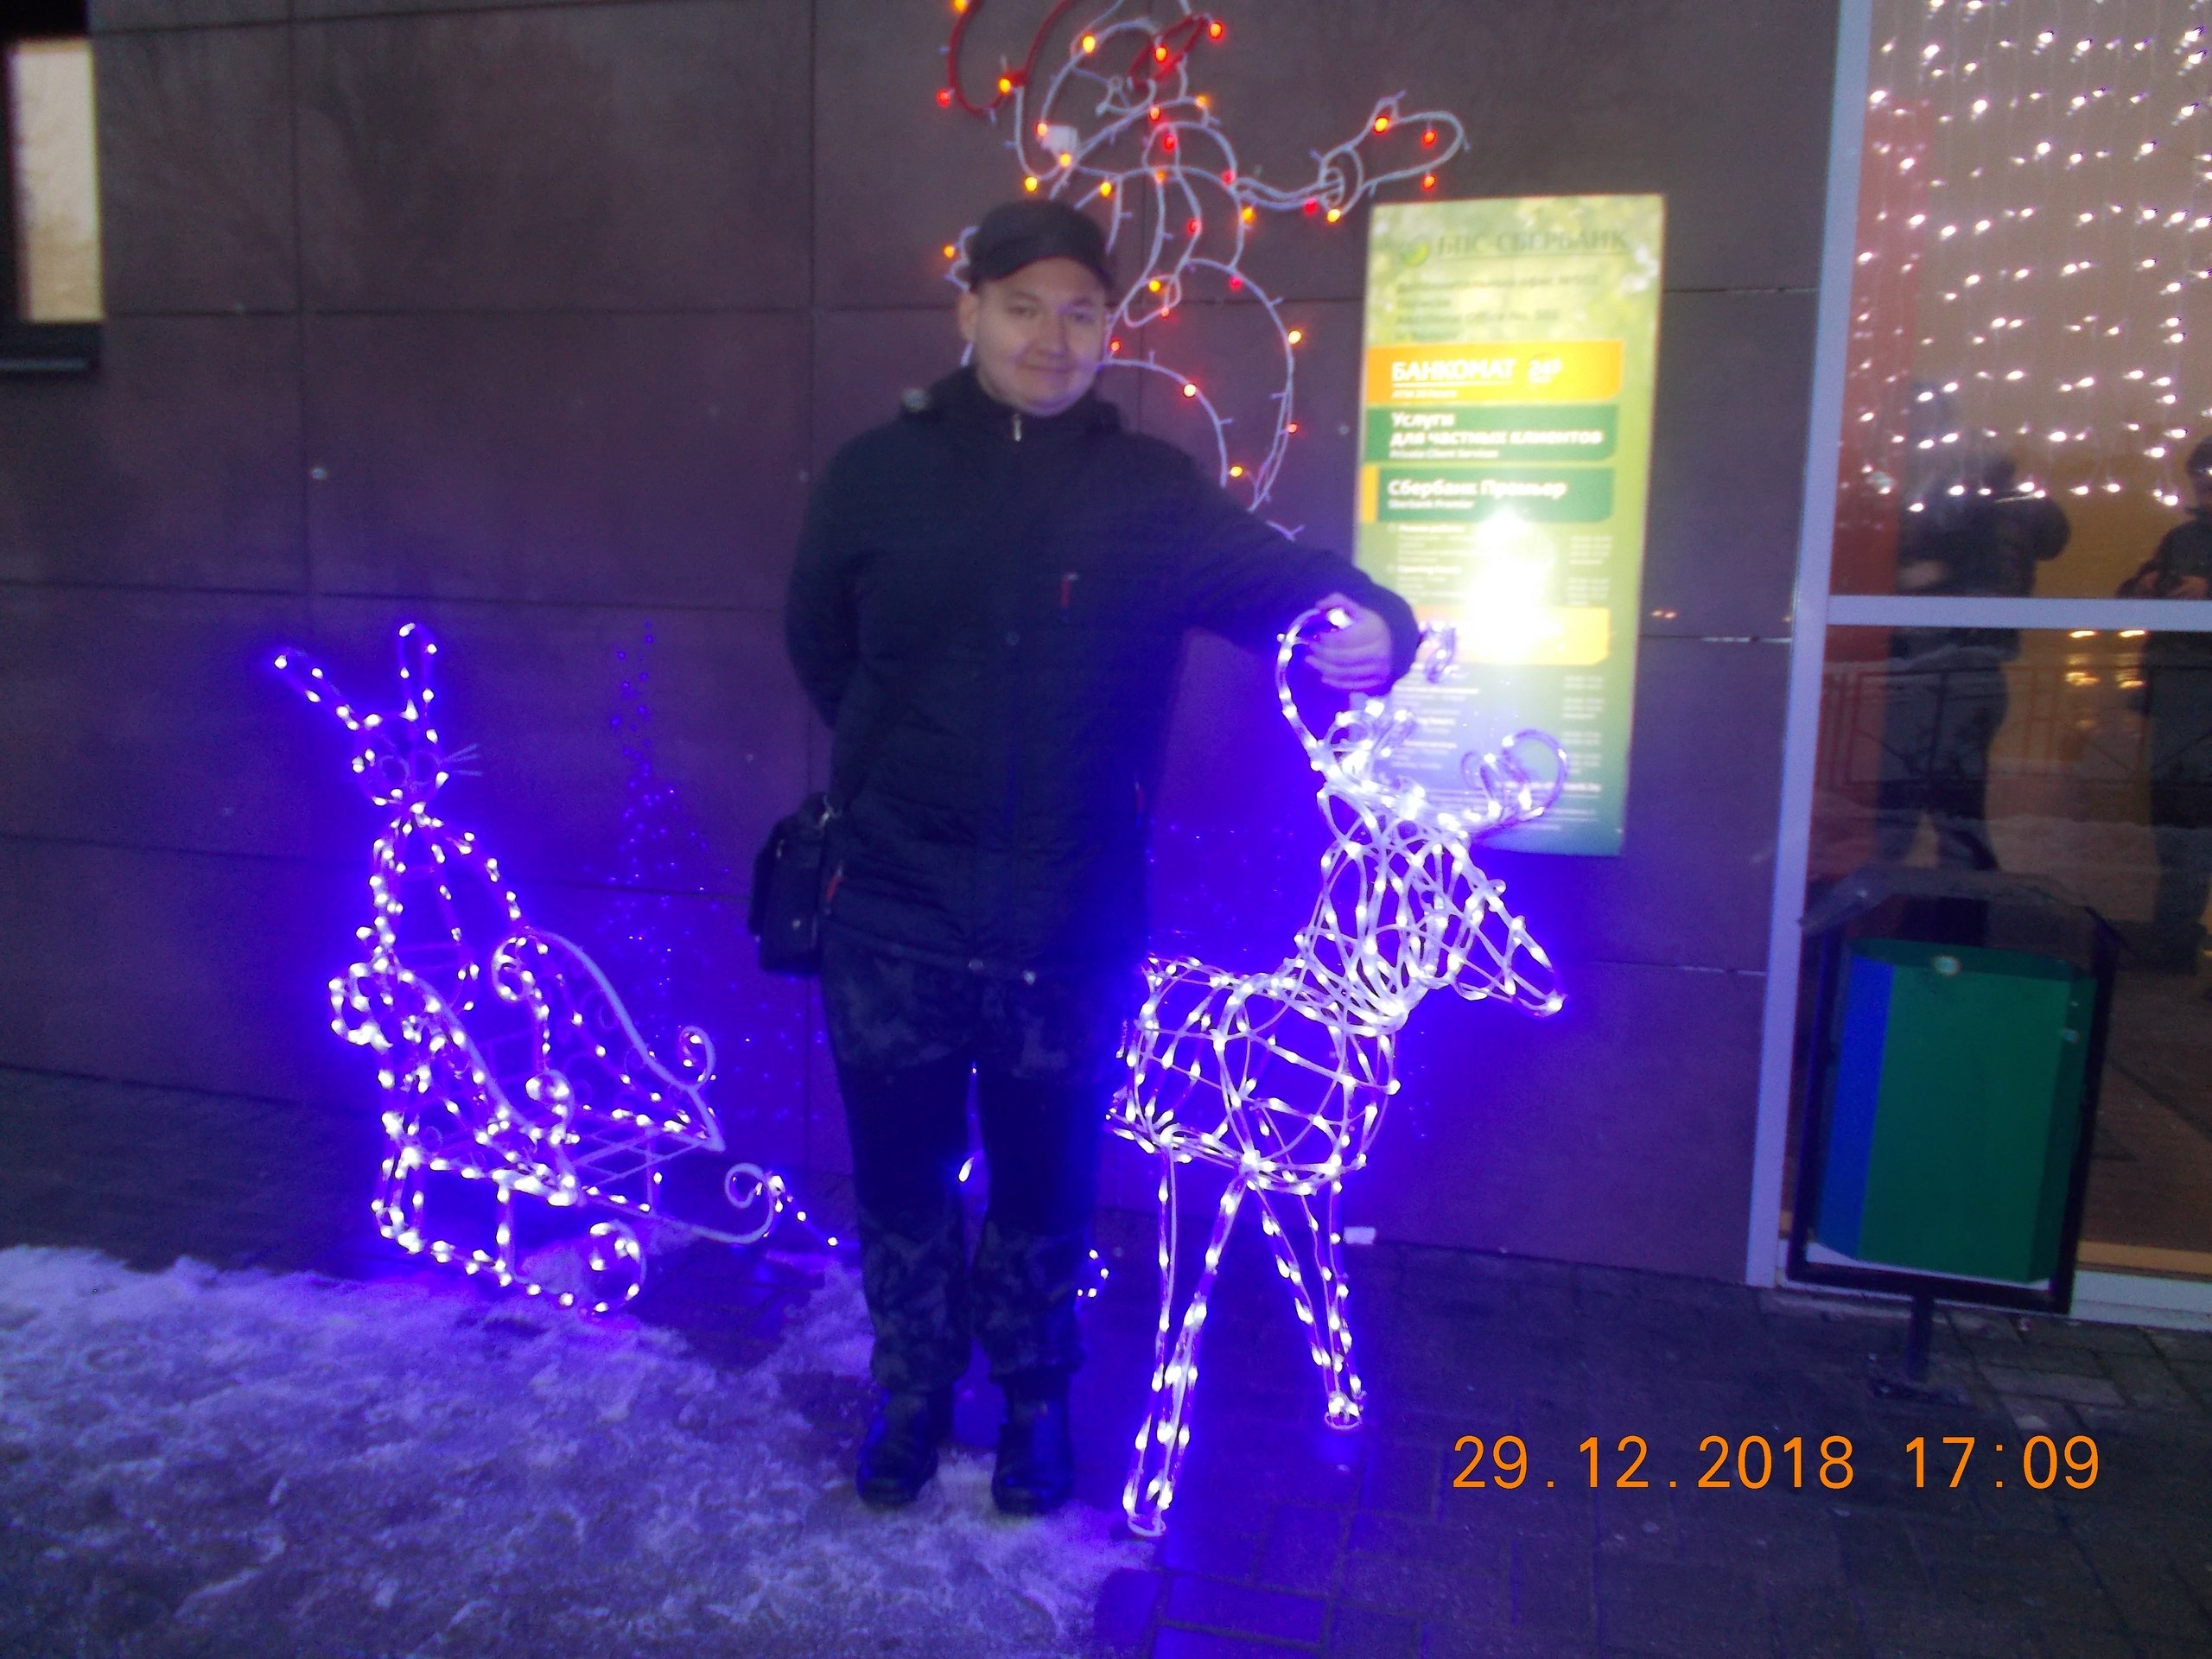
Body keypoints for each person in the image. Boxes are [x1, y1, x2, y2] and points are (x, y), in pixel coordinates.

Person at [783, 200, 1419, 1516]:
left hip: (1070, 925)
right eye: (1023, 306)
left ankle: (1035, 1403)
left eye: (1082, 311)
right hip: (893, 913)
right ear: (969, 311)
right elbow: (820, 651)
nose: (1052, 335)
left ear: (1111, 329)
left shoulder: (1150, 493)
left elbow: (1282, 580)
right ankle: (913, 1394)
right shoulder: (873, 478)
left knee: (1047, 1184)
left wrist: (1375, 618)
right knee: (902, 1181)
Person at [1873, 440, 2071, 869]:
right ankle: (1958, 901)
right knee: (1953, 810)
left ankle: (1932, 899)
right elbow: (2034, 553)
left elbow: (1976, 587)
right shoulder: (2008, 512)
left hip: (1940, 668)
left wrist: (1930, 576)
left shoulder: (1967, 516)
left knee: (1911, 807)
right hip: (1968, 671)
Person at [2117, 435, 2212, 970]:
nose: (2206, 490)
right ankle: (2173, 939)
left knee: (2190, 823)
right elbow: (2127, 596)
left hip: (2190, 694)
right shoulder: (2181, 538)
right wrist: (2148, 583)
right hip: (2176, 695)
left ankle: (2175, 941)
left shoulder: (2186, 538)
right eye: (2201, 480)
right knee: (2176, 822)